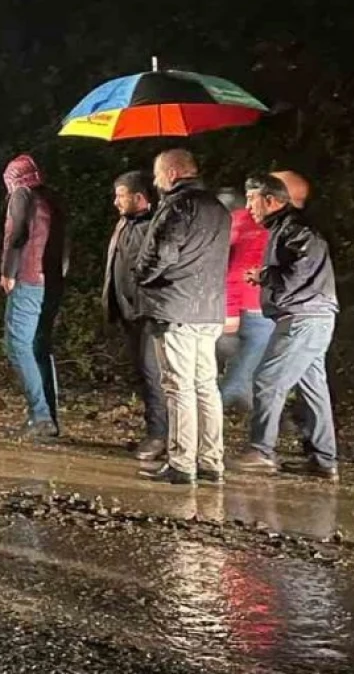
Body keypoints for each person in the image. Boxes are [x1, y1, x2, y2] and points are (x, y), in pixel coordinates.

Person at [233, 175, 341, 481]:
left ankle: (261, 451)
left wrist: (267, 276)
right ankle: (323, 460)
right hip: (314, 316)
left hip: (303, 317)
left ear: (271, 200)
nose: (249, 206)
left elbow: (302, 266)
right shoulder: (286, 227)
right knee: (313, 389)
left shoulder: (294, 228)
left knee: (268, 379)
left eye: (252, 198)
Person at [133, 148, 230, 485]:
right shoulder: (218, 208)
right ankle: (211, 460)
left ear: (172, 173)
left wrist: (141, 274)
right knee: (206, 386)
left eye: (158, 173)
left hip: (176, 309)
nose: (156, 180)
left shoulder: (177, 206)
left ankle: (181, 461)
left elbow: (163, 252)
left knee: (178, 387)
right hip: (210, 310)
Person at [0, 153, 69, 440]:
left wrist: (8, 272)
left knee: (18, 345)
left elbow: (16, 236)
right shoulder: (54, 200)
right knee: (40, 346)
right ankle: (49, 419)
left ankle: (40, 417)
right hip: (52, 282)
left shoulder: (22, 196)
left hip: (28, 278)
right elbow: (65, 249)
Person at [103, 171, 166, 460]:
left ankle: (159, 436)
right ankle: (155, 431)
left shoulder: (152, 227)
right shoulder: (124, 223)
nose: (116, 201)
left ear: (139, 197)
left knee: (154, 375)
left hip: (148, 314)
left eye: (121, 195)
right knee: (143, 373)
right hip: (128, 312)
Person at [215, 187, 275, 414]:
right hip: (254, 308)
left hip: (246, 307)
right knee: (242, 371)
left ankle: (262, 412)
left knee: (247, 365)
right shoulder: (255, 224)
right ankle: (207, 415)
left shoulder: (241, 224)